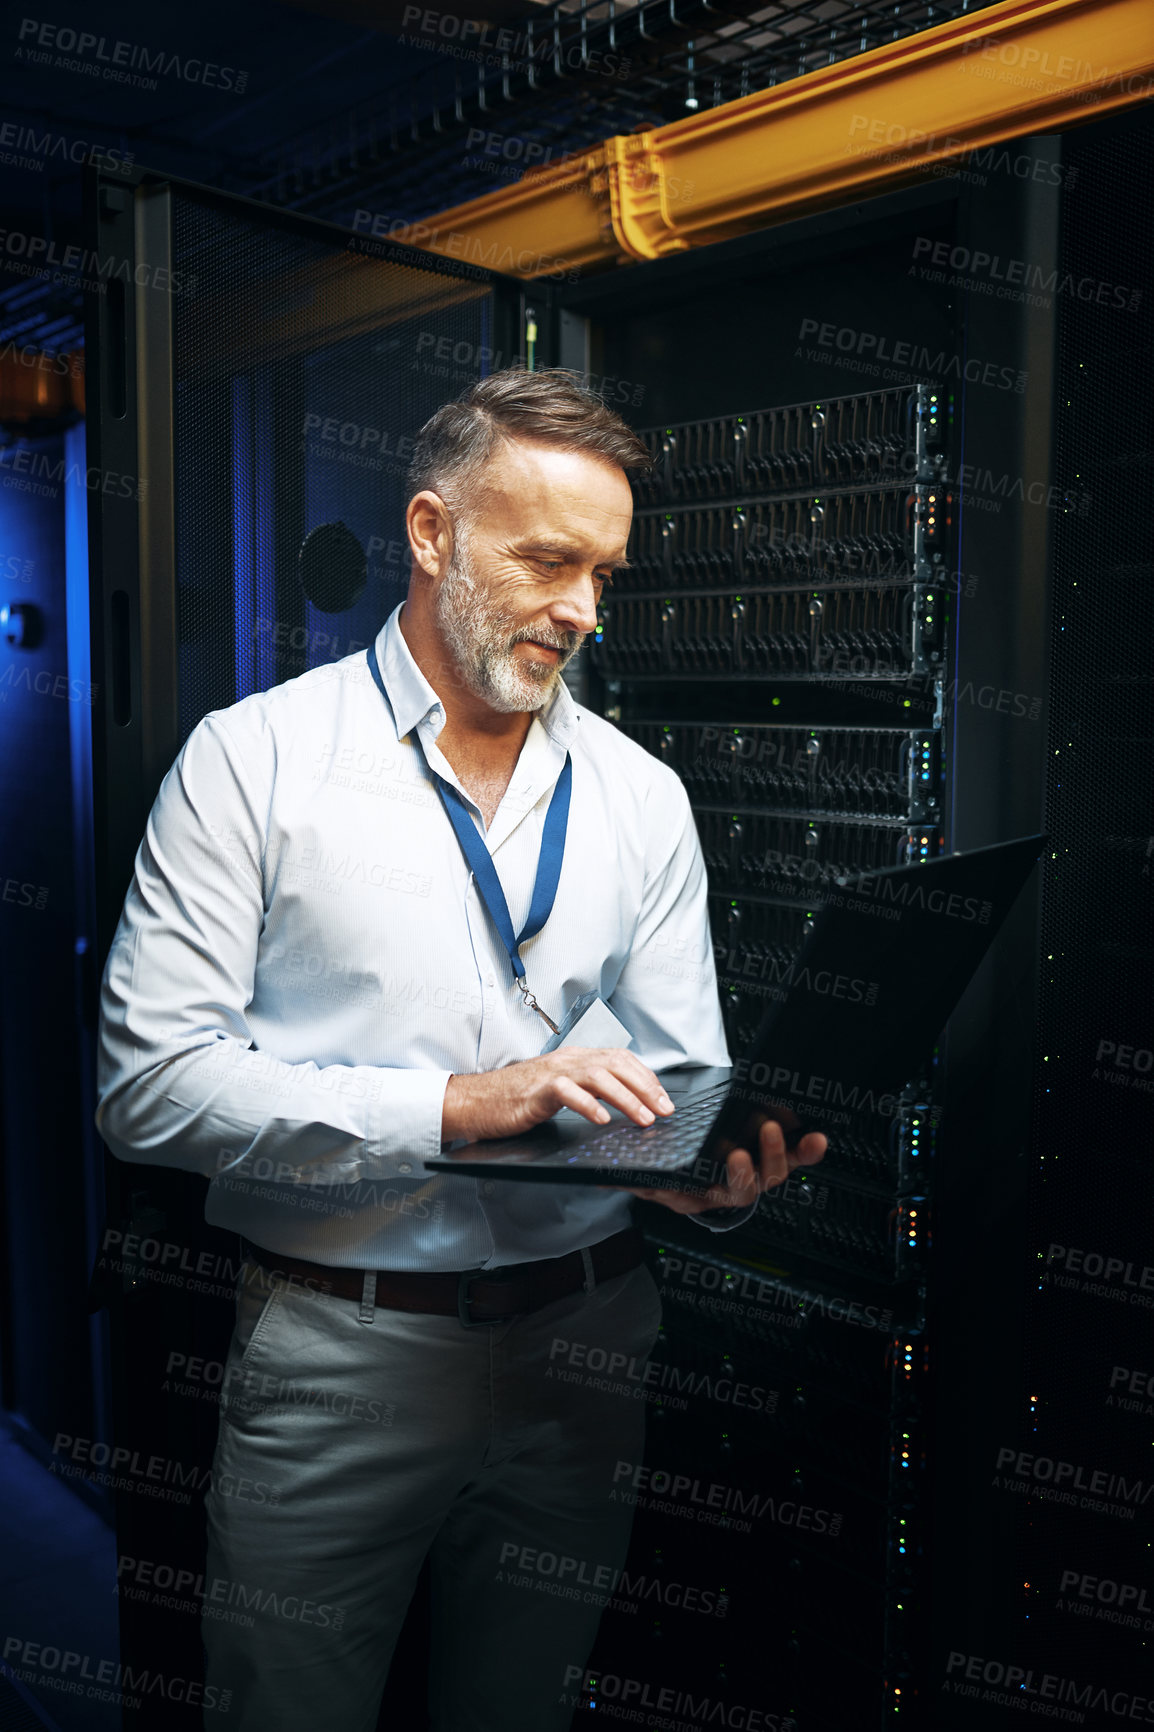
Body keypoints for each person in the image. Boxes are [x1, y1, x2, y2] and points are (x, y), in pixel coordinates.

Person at [95, 367, 827, 1732]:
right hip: (342, 1359)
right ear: (431, 534)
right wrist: (457, 1106)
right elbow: (149, 1090)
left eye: (604, 573)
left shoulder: (639, 794)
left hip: (592, 1342)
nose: (580, 611)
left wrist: (684, 1169)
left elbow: (673, 1076)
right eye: (547, 560)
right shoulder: (249, 765)